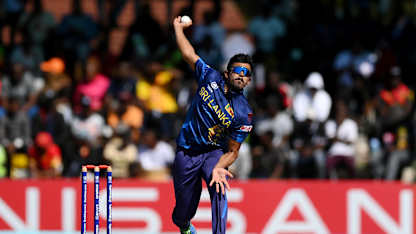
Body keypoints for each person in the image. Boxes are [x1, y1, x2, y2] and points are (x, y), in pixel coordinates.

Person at [171, 16, 253, 234]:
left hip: (212, 152)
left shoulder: (244, 113)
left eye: (247, 74)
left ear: (249, 82)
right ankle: (185, 225)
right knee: (182, 211)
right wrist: (178, 29)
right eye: (238, 71)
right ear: (227, 73)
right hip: (186, 151)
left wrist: (219, 167)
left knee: (219, 186)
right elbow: (189, 54)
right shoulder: (210, 77)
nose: (242, 76)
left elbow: (233, 151)